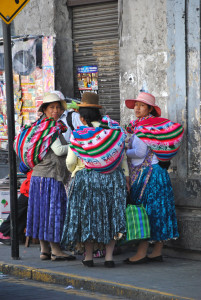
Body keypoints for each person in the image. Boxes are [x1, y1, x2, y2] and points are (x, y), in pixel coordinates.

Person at [61, 92, 129, 268]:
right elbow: (122, 159)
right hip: (112, 179)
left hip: (86, 180)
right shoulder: (114, 132)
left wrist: (76, 170)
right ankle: (108, 258)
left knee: (88, 218)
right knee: (111, 216)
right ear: (99, 114)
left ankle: (89, 257)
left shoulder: (79, 135)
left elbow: (69, 162)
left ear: (82, 118)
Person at [124, 92, 184, 264]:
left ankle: (142, 252)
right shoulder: (145, 126)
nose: (137, 108)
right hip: (158, 174)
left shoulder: (144, 127)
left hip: (149, 176)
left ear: (150, 109)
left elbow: (140, 153)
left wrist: (122, 152)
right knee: (159, 211)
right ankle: (157, 251)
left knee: (147, 212)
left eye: (141, 105)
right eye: (136, 105)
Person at [25, 92, 75, 261]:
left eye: (58, 107)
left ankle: (44, 250)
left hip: (39, 177)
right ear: (44, 110)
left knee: (40, 213)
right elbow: (60, 150)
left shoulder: (38, 126)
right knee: (52, 212)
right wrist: (78, 145)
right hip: (50, 177)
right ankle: (56, 250)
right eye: (51, 107)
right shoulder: (50, 128)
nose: (56, 110)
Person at [0, 162, 32, 245]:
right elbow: (23, 167)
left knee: (23, 213)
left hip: (31, 187)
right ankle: (5, 232)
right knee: (19, 212)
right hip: (29, 188)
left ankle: (13, 234)